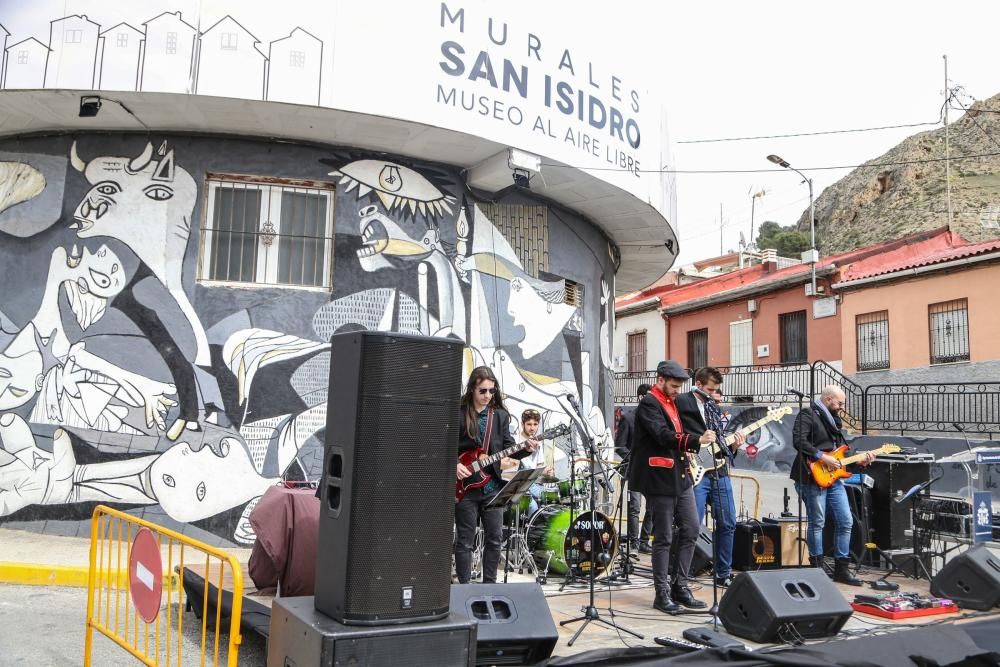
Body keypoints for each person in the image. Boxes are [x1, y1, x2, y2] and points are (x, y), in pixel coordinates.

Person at [629, 360, 712, 613]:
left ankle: (681, 586)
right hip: (658, 476)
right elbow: (662, 435)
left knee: (691, 528)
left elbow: (679, 431)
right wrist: (695, 440)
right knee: (663, 536)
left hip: (680, 474)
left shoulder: (673, 402)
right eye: (674, 385)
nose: (677, 390)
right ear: (661, 379)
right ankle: (661, 593)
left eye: (680, 386)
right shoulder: (649, 403)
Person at [455, 366, 535, 584]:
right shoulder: (459, 412)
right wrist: (454, 464)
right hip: (465, 487)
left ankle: (489, 586)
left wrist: (526, 449)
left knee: (495, 538)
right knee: (465, 540)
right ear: (472, 388)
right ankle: (464, 587)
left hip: (492, 487)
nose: (487, 396)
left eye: (491, 390)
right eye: (483, 391)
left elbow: (509, 447)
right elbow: (443, 444)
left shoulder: (498, 415)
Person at [791, 385, 874, 585]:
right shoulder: (808, 414)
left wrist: (858, 460)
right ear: (828, 399)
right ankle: (817, 571)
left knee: (846, 521)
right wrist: (822, 457)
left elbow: (840, 456)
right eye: (839, 403)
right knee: (817, 523)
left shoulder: (834, 421)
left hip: (834, 479)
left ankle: (841, 570)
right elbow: (798, 441)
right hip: (811, 477)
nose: (842, 407)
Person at [676, 367, 745, 588]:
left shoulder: (714, 408)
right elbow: (674, 433)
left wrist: (733, 446)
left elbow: (720, 442)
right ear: (697, 383)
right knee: (691, 526)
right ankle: (680, 577)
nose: (714, 393)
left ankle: (723, 572)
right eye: (710, 389)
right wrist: (695, 439)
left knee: (728, 522)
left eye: (716, 390)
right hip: (694, 470)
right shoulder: (681, 402)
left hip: (719, 470)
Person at [614, 383, 654, 554]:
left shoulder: (654, 419)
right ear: (641, 397)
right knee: (634, 507)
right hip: (633, 470)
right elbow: (620, 446)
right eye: (650, 396)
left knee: (653, 507)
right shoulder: (628, 418)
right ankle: (633, 542)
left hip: (652, 471)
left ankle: (644, 541)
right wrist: (635, 459)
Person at [513, 409, 554, 516]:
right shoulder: (515, 441)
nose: (532, 428)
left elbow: (539, 466)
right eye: (529, 424)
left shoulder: (537, 443)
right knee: (533, 506)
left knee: (552, 498)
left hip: (533, 483)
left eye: (535, 424)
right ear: (522, 424)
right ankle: (532, 531)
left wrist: (545, 471)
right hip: (519, 485)